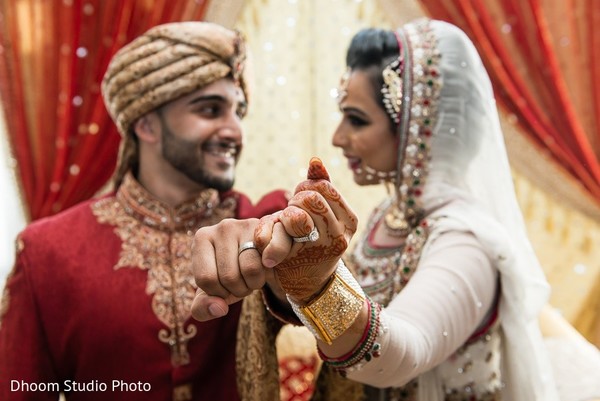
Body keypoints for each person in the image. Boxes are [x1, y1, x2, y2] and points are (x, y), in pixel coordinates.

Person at [190, 18, 563, 400]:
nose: (337, 138)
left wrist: (318, 288)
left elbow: (402, 354)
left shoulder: (466, 241)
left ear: (419, 130)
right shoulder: (389, 216)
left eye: (357, 119)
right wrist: (277, 273)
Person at [0, 22, 288, 401]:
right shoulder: (48, 252)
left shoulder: (264, 225)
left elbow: (337, 332)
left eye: (238, 111)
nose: (235, 131)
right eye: (210, 110)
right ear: (147, 125)